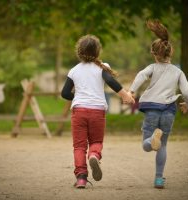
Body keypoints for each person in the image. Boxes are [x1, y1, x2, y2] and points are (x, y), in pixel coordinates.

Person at [61, 34, 134, 189]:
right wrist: (125, 95)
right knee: (96, 142)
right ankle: (94, 155)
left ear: (79, 52)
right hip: (97, 112)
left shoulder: (74, 71)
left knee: (79, 146)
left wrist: (79, 96)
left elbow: (65, 93)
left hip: (79, 111)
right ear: (97, 52)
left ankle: (81, 178)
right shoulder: (102, 67)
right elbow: (111, 81)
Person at [128, 20, 188, 189]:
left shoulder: (152, 67)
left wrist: (132, 91)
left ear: (154, 53)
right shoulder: (178, 72)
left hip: (152, 109)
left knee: (146, 145)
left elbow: (141, 75)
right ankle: (158, 179)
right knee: (163, 145)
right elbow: (187, 92)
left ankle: (151, 138)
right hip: (169, 110)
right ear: (170, 53)